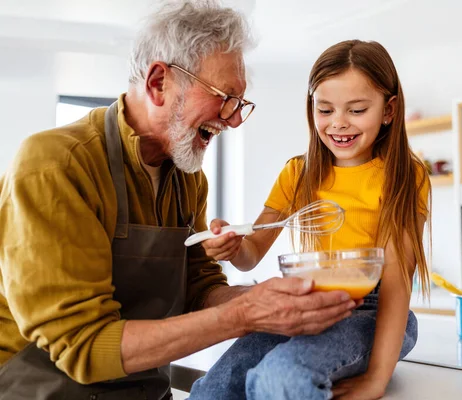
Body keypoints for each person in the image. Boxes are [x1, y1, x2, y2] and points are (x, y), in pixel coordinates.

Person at [0, 2, 358, 399]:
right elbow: (82, 345)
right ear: (158, 83)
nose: (234, 119)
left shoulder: (188, 179)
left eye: (240, 103)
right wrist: (243, 315)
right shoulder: (56, 166)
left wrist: (263, 299)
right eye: (225, 97)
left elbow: (198, 287)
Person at [190, 39, 431, 400]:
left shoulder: (405, 176)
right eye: (326, 109)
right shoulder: (297, 173)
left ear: (389, 110)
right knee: (216, 387)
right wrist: (233, 247)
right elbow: (252, 252)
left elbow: (397, 283)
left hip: (373, 315)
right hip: (308, 309)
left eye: (357, 109)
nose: (338, 123)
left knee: (282, 376)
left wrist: (377, 378)